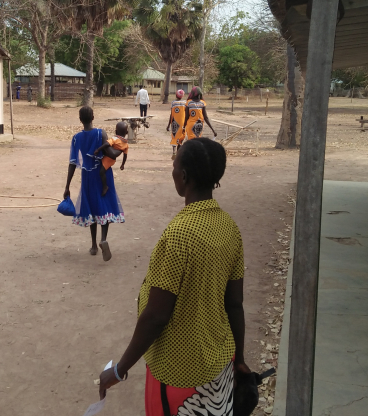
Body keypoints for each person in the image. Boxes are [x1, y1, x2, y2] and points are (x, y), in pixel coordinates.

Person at [98, 138, 248, 415]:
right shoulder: (229, 227)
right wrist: (239, 359)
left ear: (184, 176)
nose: (172, 168)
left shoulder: (179, 235)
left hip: (178, 373)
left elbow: (156, 316)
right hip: (220, 363)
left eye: (174, 163)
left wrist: (118, 370)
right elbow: (235, 303)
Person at [64, 107, 125, 261]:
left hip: (87, 177)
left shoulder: (76, 138)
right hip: (103, 173)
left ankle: (93, 245)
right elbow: (110, 153)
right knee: (104, 206)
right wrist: (123, 148)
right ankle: (103, 239)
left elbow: (72, 163)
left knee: (91, 208)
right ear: (93, 116)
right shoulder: (100, 133)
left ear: (80, 119)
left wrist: (67, 186)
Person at [95, 121, 129, 196]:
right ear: (127, 132)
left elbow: (106, 144)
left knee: (101, 172)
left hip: (108, 158)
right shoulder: (126, 144)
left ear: (116, 131)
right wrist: (122, 164)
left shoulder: (115, 139)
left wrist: (98, 149)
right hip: (112, 159)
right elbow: (125, 156)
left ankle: (105, 186)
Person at [166, 89, 187, 161]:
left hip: (175, 122)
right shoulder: (185, 103)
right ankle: (179, 154)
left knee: (174, 137)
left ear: (176, 95)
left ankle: (174, 152)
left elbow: (171, 114)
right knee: (180, 138)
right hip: (183, 123)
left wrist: (168, 125)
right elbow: (187, 114)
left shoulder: (173, 103)